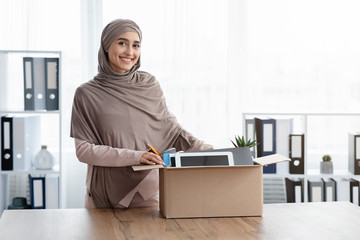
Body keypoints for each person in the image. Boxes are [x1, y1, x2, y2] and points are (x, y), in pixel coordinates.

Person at [70, 19, 212, 208]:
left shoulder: (149, 84)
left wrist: (216, 153)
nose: (130, 52)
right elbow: (84, 150)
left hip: (146, 193)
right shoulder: (86, 94)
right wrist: (135, 156)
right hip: (102, 197)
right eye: (122, 43)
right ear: (106, 46)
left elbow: (172, 131)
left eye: (136, 45)